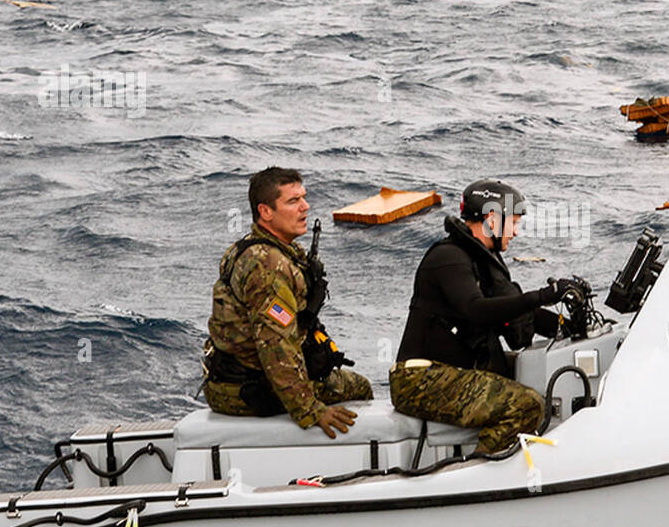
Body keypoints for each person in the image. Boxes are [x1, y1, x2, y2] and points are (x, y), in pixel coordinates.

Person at [390, 179, 577, 454]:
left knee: (541, 370)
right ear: (492, 219)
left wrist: (569, 327)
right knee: (527, 404)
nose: (515, 231)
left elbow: (516, 311)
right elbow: (475, 310)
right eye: (513, 222)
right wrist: (543, 294)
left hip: (454, 370)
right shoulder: (449, 258)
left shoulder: (479, 259)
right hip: (419, 380)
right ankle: (481, 469)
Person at [203, 167, 372, 437]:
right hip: (248, 391)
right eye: (293, 201)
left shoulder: (254, 247)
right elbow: (274, 345)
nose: (305, 207)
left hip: (232, 381)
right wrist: (310, 411)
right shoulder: (268, 266)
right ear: (266, 212)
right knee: (358, 387)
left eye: (303, 198)